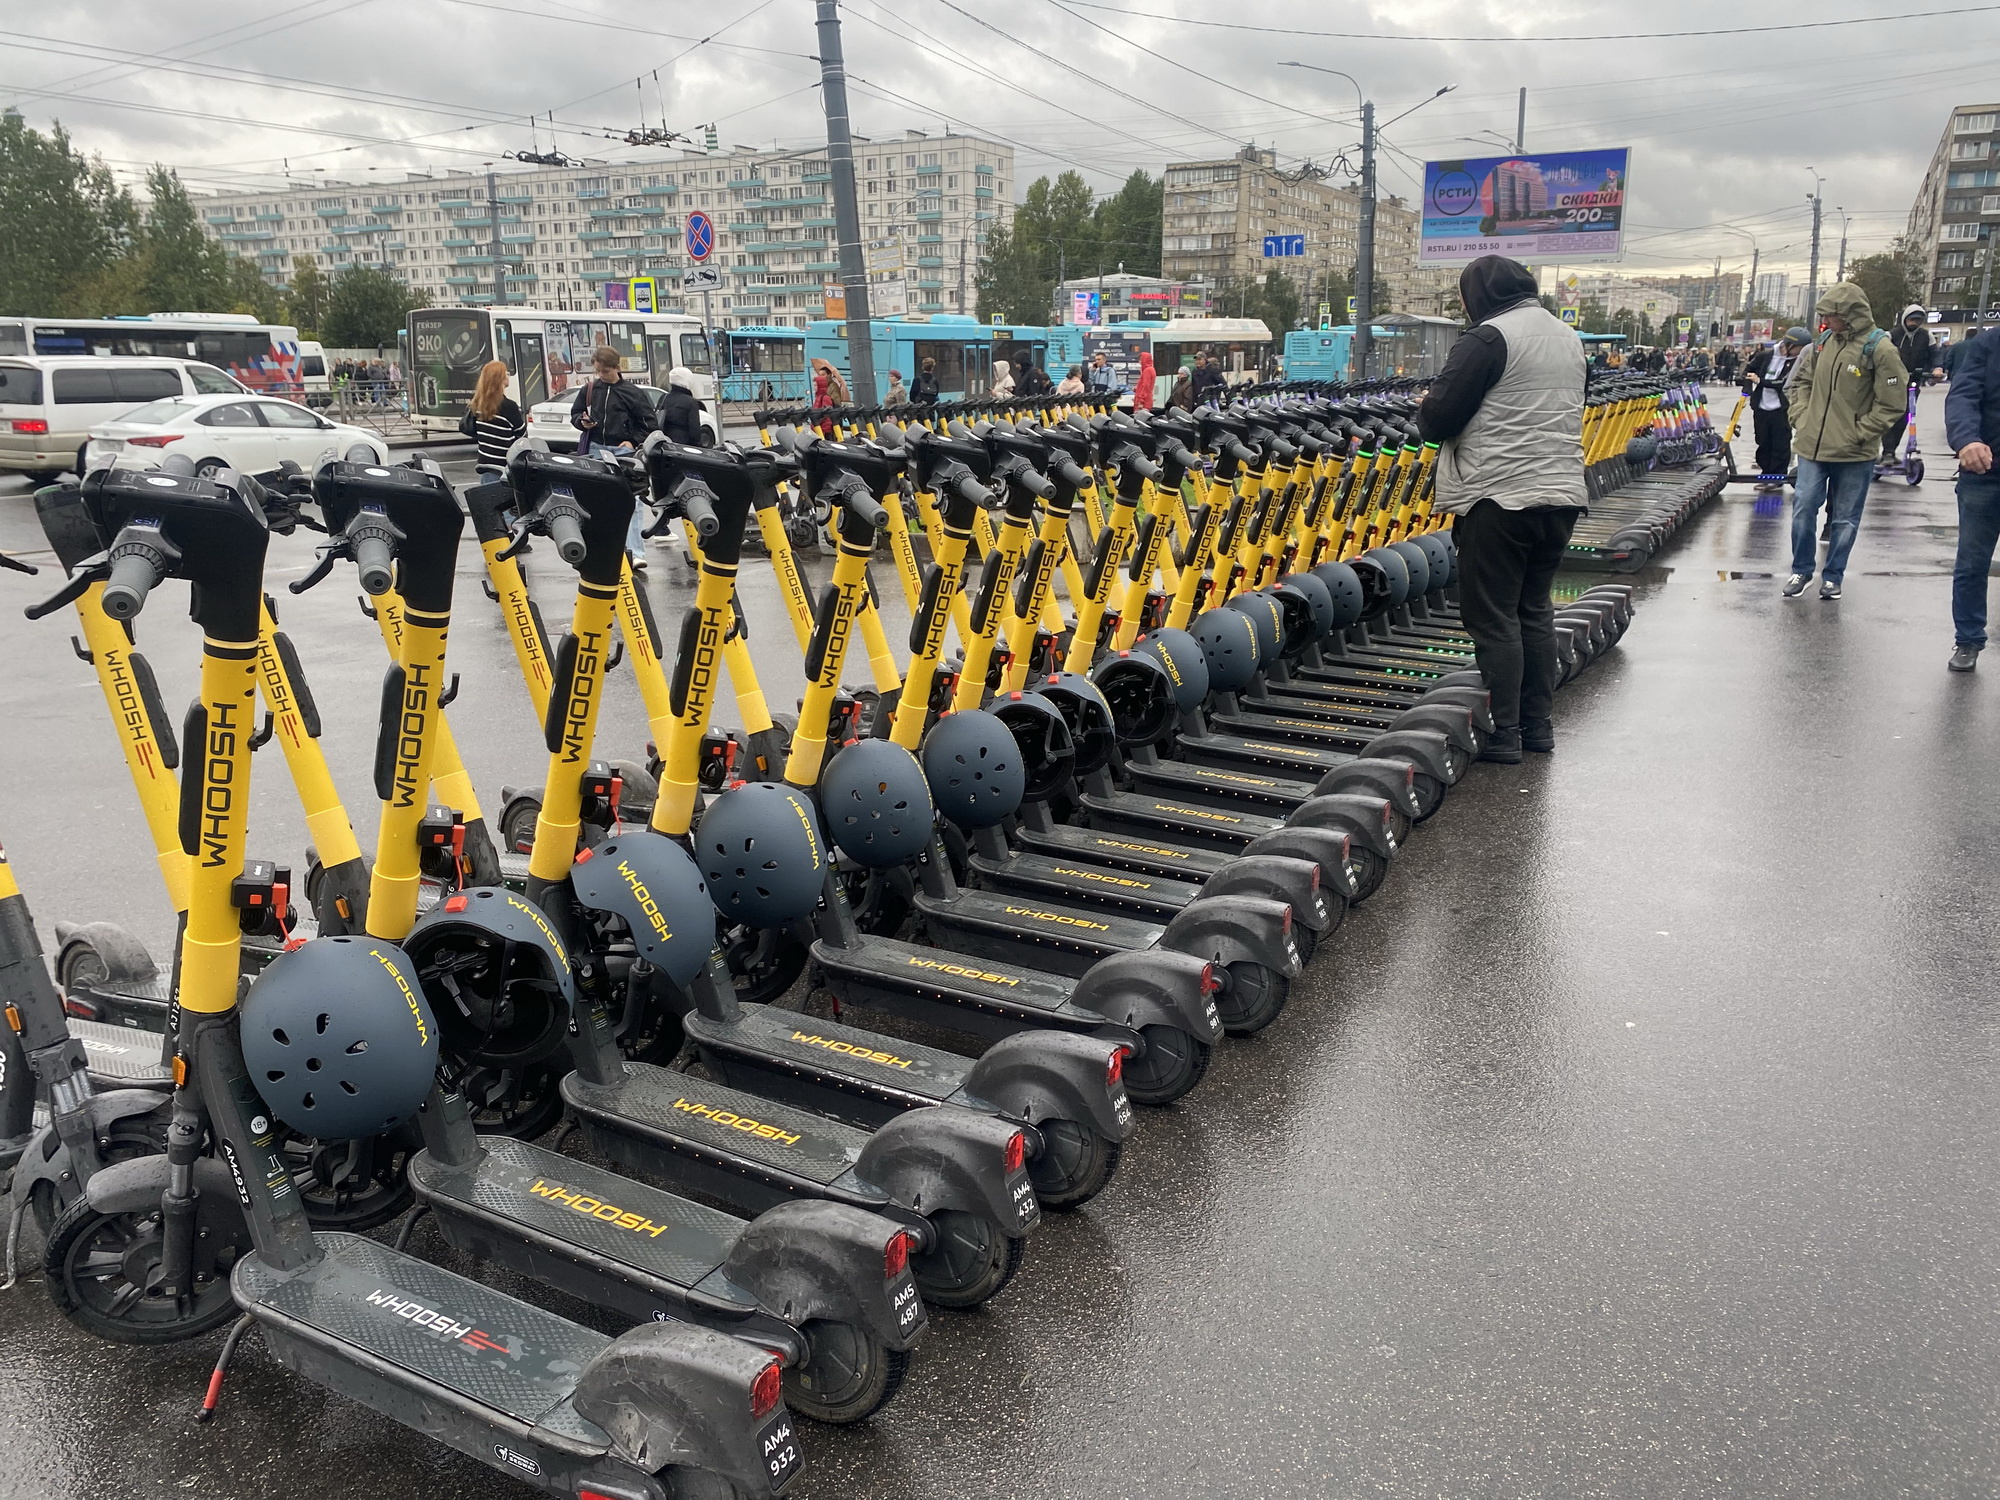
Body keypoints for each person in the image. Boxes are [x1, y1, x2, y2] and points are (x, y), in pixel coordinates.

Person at [1415, 254, 1587, 764]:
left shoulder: (1489, 338)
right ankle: (1538, 727)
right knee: (1533, 610)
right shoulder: (1567, 337)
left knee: (1493, 617)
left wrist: (1426, 403)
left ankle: (1504, 733)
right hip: (1560, 493)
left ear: (1479, 296)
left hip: (1501, 494)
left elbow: (1440, 418)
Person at [1782, 282, 1910, 600]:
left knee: (1845, 518)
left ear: (1848, 315)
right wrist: (1801, 416)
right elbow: (1802, 381)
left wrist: (1861, 433)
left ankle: (1833, 576)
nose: (1825, 321)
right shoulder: (1825, 342)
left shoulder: (1880, 348)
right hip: (1813, 445)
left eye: (1830, 315)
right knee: (1803, 508)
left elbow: (1893, 401)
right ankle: (1801, 570)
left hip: (1855, 452)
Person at [570, 345, 658, 569]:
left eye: (605, 371)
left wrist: (633, 441)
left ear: (617, 368)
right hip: (597, 448)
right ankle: (603, 552)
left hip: (624, 452)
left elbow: (649, 424)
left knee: (633, 501)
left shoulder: (634, 393)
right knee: (596, 502)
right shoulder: (589, 389)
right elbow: (575, 415)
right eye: (598, 371)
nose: (601, 375)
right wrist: (582, 421)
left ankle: (635, 552)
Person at [1946, 324, 2000, 670]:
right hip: (1984, 472)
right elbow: (1963, 395)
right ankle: (1968, 640)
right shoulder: (1987, 345)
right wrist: (1966, 440)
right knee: (1972, 563)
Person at [1740, 327, 1809, 491]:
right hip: (1762, 407)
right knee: (1763, 441)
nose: (1800, 353)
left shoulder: (1796, 362)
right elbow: (1747, 371)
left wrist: (1760, 381)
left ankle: (1777, 477)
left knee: (1780, 443)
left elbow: (1783, 384)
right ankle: (1766, 475)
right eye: (1799, 349)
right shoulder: (1766, 356)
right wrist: (1748, 382)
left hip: (1781, 408)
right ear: (1790, 345)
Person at [1883, 304, 1945, 465]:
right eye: (1911, 319)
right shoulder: (1892, 335)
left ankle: (1891, 451)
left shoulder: (1926, 336)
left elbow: (1935, 354)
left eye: (1918, 320)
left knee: (1906, 416)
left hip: (1914, 380)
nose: (1914, 323)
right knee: (1891, 416)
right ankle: (1887, 451)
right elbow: (1882, 355)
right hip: (1893, 382)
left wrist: (1937, 368)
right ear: (1904, 319)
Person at [458, 359, 526, 481]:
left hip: (485, 469)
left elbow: (471, 429)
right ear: (499, 379)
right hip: (504, 472)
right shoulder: (509, 407)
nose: (508, 375)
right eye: (506, 373)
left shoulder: (478, 405)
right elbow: (522, 438)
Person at [658, 366, 706, 445]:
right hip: (683, 446)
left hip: (665, 444)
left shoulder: (664, 398)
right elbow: (694, 431)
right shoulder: (691, 402)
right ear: (687, 381)